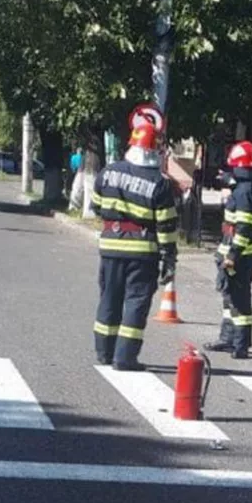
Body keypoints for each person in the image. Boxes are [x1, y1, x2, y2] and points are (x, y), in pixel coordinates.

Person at [92, 121, 178, 371]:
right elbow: (166, 226)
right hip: (143, 253)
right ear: (155, 150)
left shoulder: (108, 172)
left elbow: (97, 205)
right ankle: (125, 358)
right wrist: (169, 258)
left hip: (110, 247)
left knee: (109, 298)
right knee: (136, 303)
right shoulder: (159, 183)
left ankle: (104, 352)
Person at [205, 141, 252, 359]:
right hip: (235, 253)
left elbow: (244, 227)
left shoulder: (244, 192)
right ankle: (228, 337)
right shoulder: (246, 189)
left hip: (240, 257)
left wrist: (232, 256)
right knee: (228, 298)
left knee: (239, 300)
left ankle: (240, 345)